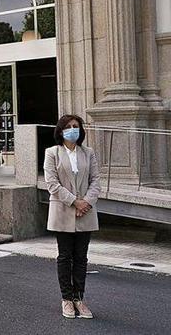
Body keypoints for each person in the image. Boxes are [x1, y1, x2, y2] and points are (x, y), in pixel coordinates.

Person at [44, 114, 100, 320]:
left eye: (76, 126)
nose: (73, 129)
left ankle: (79, 298)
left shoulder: (89, 153)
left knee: (81, 258)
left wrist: (86, 202)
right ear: (60, 131)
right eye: (68, 126)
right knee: (65, 256)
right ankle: (66, 299)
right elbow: (52, 184)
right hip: (63, 211)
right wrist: (74, 201)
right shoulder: (52, 153)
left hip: (85, 212)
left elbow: (96, 181)